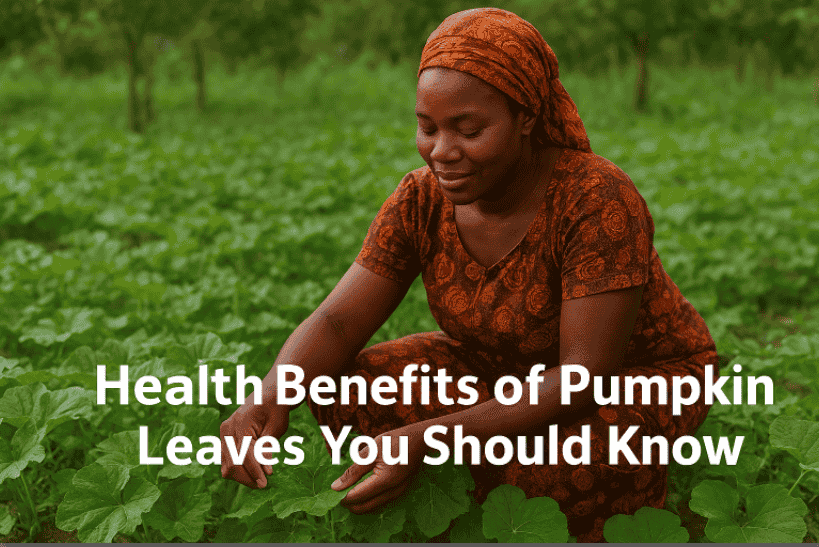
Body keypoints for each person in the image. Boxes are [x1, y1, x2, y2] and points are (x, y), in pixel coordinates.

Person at [220, 7, 718, 542]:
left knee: (544, 471)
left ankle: (602, 495)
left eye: (469, 129)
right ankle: (447, 477)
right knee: (346, 389)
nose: (442, 152)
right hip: (499, 365)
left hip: (629, 377)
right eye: (426, 127)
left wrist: (424, 439)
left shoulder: (594, 199)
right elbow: (340, 321)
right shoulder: (421, 199)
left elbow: (580, 378)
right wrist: (267, 397)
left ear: (526, 117)